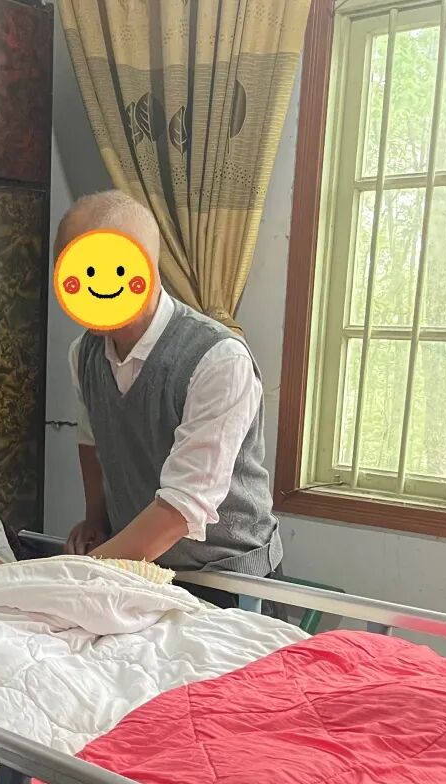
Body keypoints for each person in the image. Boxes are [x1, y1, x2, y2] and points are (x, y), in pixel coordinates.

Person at [61, 191, 283, 608]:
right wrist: (96, 520)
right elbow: (92, 441)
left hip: (228, 582)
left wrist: (76, 575)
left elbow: (181, 508)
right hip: (139, 571)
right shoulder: (84, 354)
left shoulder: (219, 358)